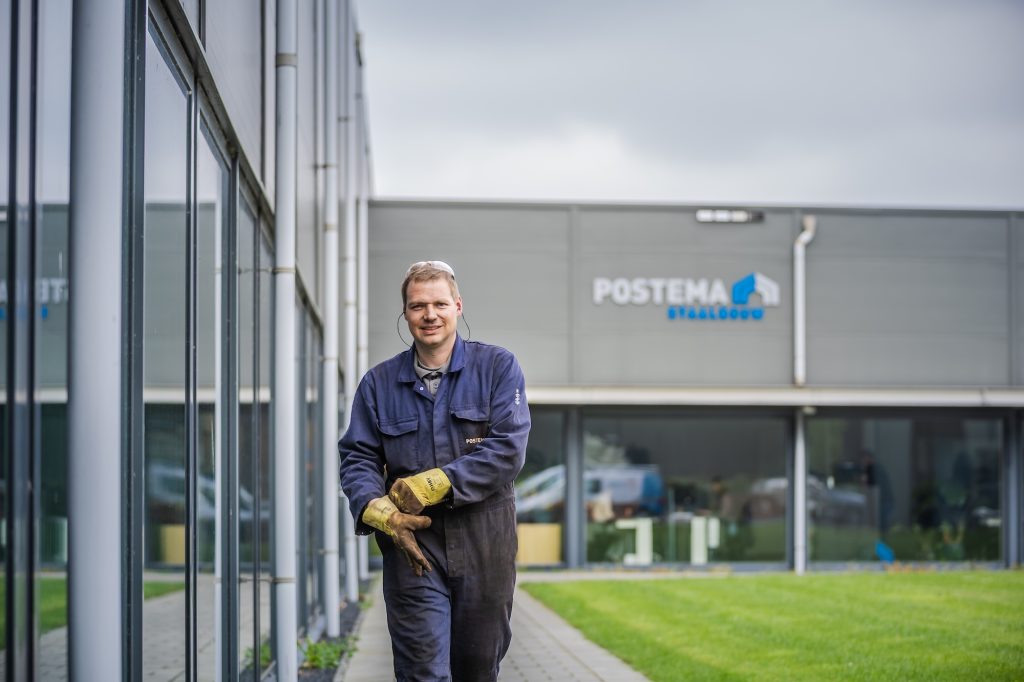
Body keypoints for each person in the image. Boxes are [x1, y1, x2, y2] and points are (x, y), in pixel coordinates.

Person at [339, 260, 531, 681]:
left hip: (485, 543)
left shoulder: (497, 368)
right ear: (405, 313)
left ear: (457, 306)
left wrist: (432, 484)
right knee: (421, 671)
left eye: (440, 304)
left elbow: (507, 448)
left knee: (477, 668)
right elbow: (358, 457)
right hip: (413, 546)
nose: (430, 315)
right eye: (418, 306)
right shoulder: (378, 384)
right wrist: (380, 512)